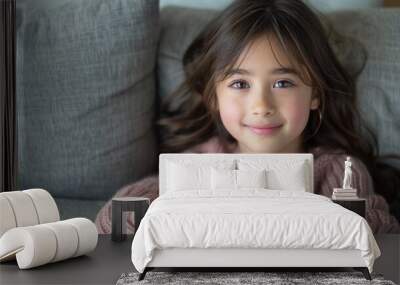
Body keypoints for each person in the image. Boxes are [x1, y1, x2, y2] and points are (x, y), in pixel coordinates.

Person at [96, 0, 400, 234]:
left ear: (316, 94)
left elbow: (369, 235)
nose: (261, 105)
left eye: (283, 83)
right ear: (213, 97)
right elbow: (116, 219)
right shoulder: (197, 164)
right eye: (240, 84)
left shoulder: (338, 170)